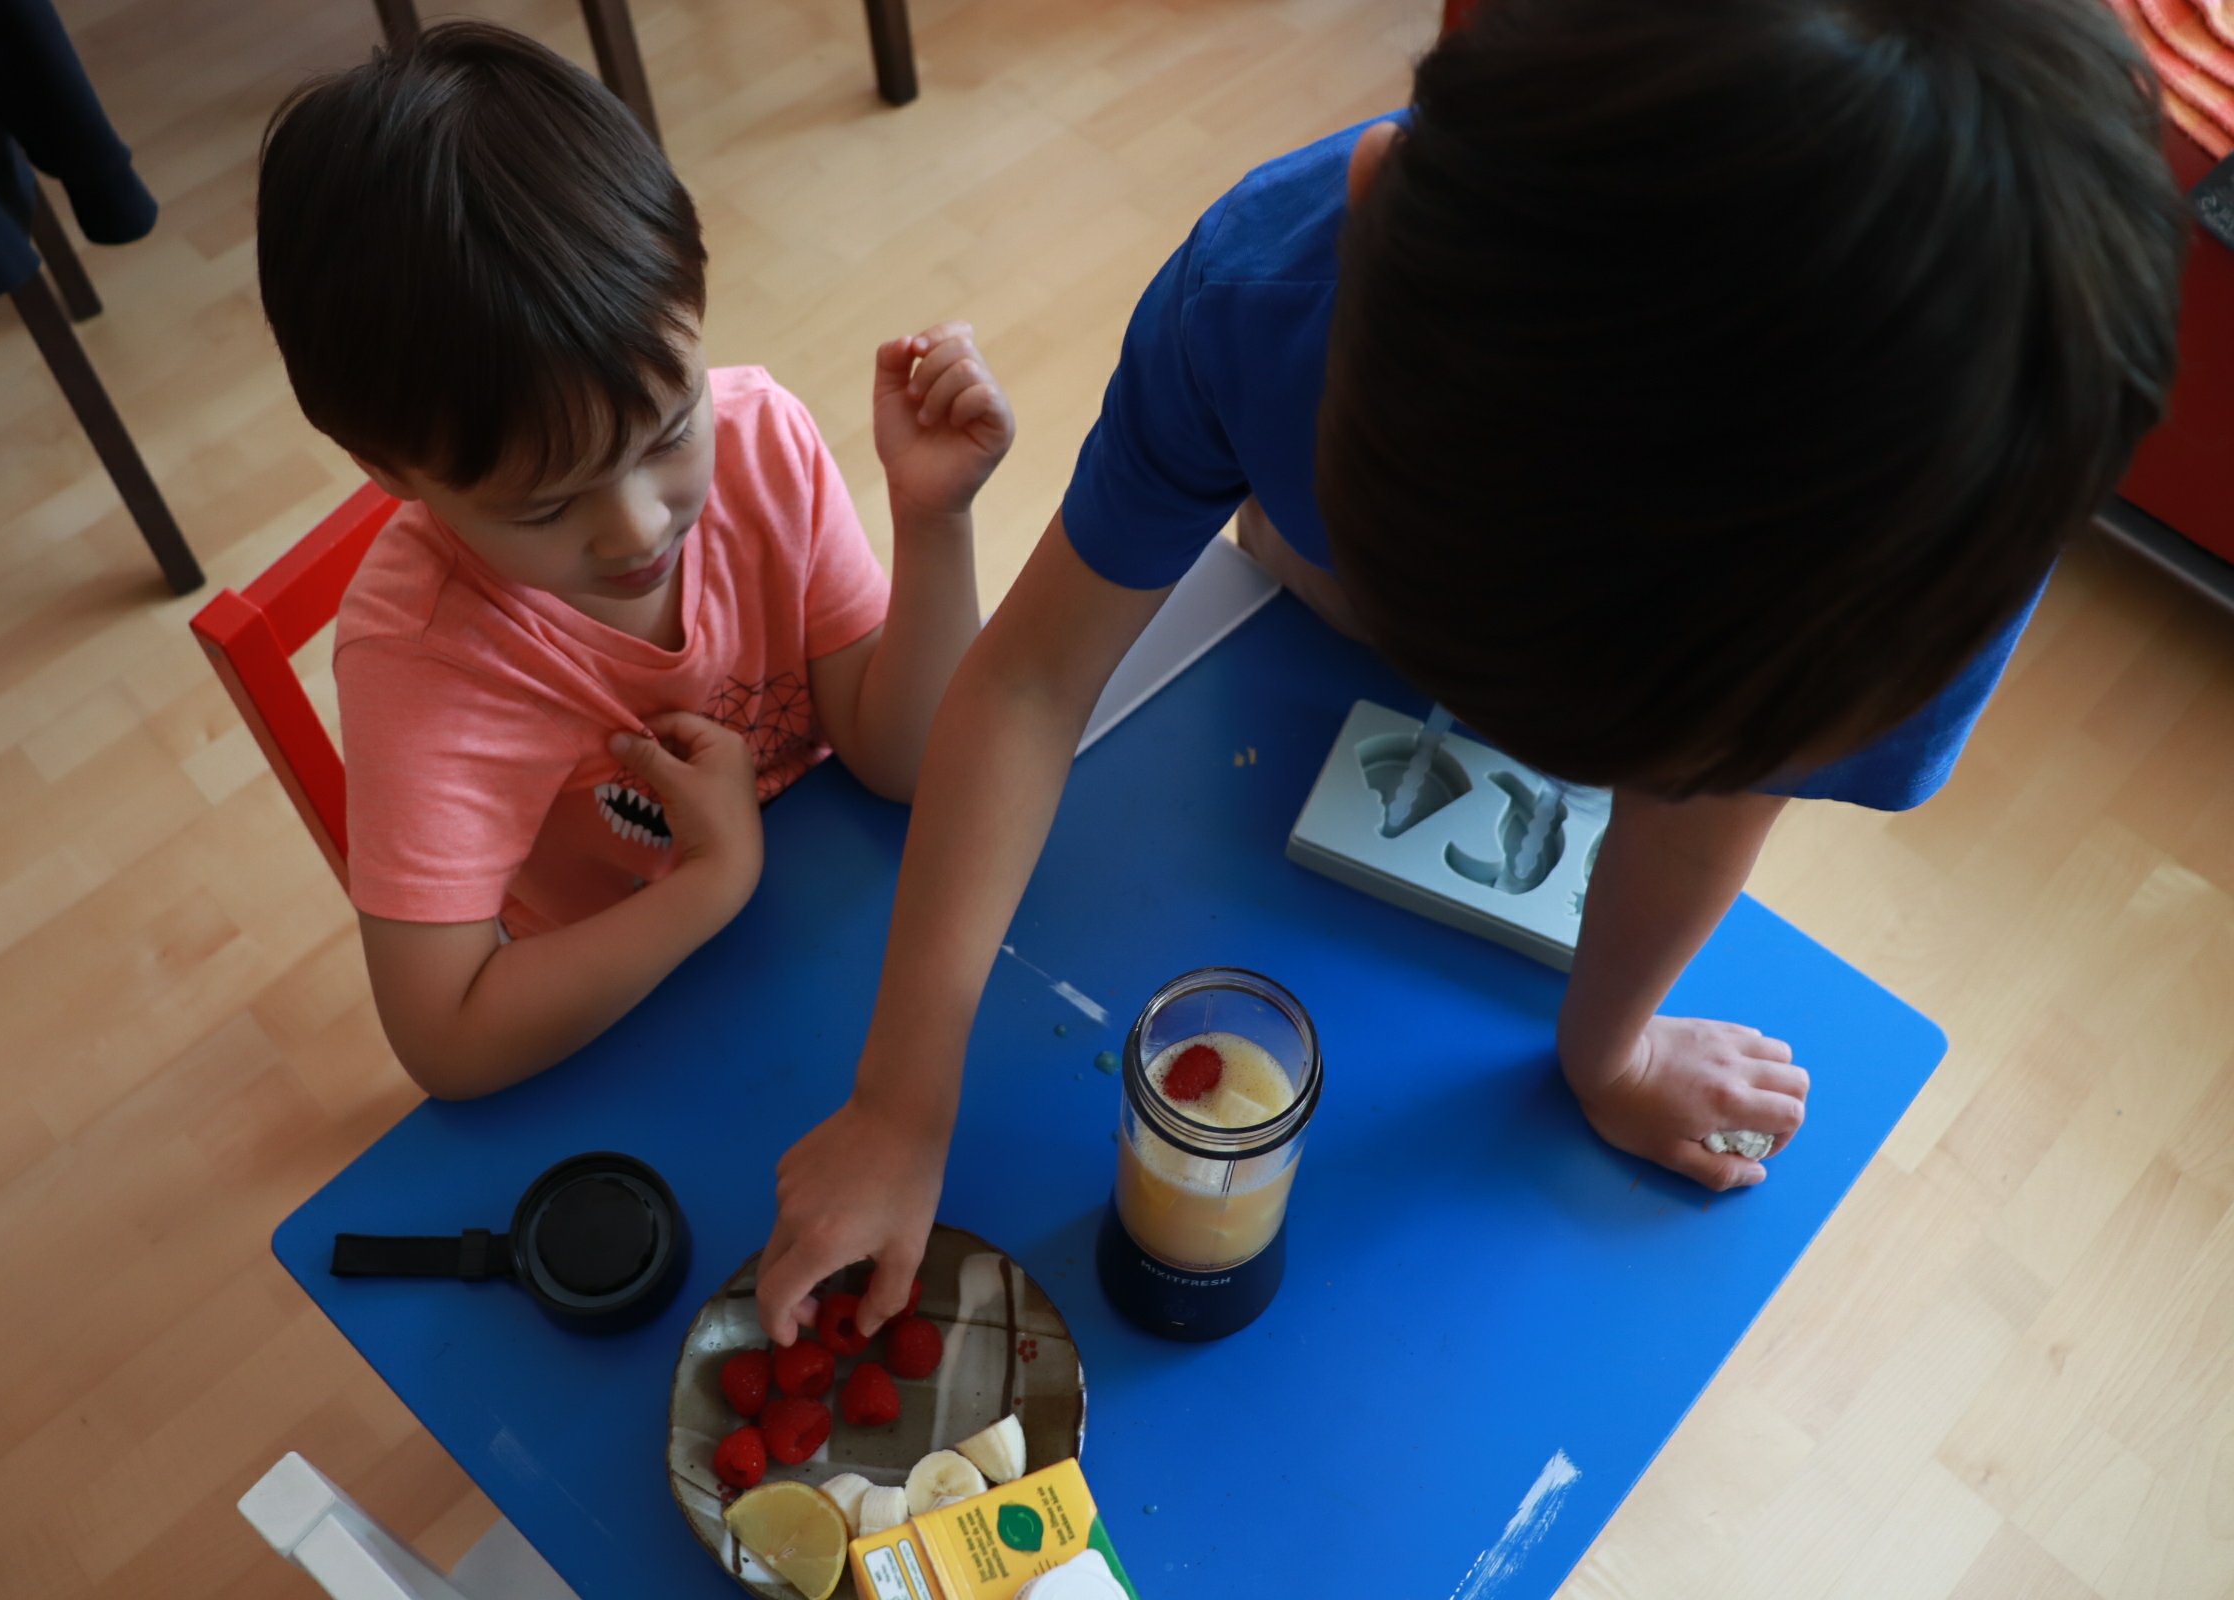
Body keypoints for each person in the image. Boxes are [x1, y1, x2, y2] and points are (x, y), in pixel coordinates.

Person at [753, 0, 2185, 1343]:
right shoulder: (1259, 297)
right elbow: (1024, 682)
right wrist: (898, 1101)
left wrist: (1610, 1052)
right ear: (1376, 214)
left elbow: (1707, 805)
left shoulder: (1906, 581)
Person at [254, 23, 1013, 1099]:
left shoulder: (762, 440)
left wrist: (934, 521)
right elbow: (448, 1038)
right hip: (626, 996)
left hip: (835, 902)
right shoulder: (422, 656)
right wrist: (710, 881)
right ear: (388, 470)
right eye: (548, 504)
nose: (638, 530)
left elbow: (910, 757)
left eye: (670, 433)